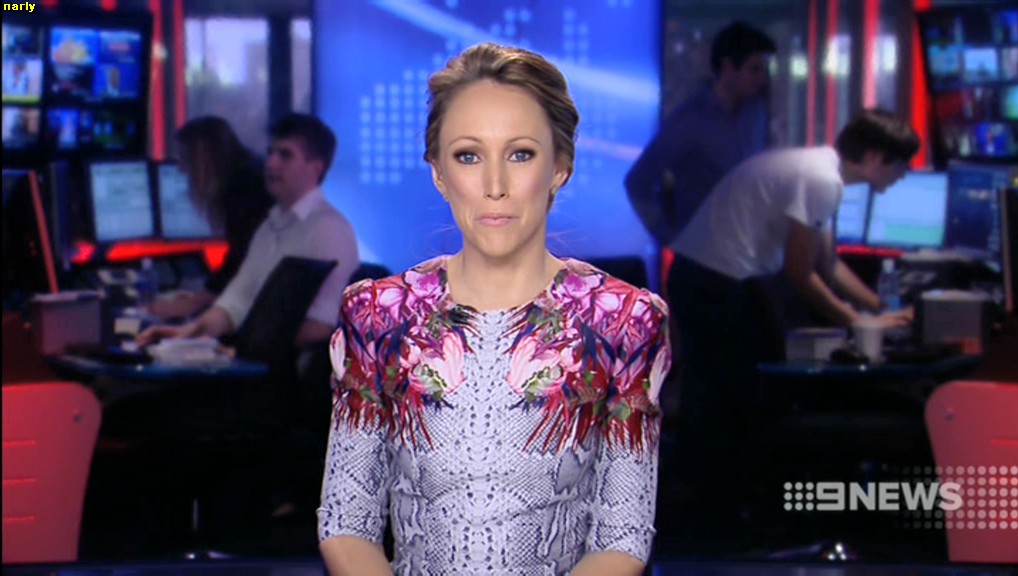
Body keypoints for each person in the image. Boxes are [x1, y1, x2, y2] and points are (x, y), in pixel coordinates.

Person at [318, 43, 671, 575]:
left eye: (520, 154)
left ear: (560, 167)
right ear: (438, 173)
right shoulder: (379, 315)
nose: (495, 187)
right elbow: (346, 521)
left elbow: (623, 536)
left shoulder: (623, 321)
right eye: (469, 156)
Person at [669, 108, 920, 549]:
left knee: (725, 402)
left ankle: (724, 524)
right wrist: (861, 323)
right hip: (715, 283)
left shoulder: (821, 170)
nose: (902, 176)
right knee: (727, 406)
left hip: (708, 278)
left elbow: (828, 265)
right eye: (900, 165)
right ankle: (720, 532)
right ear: (876, 157)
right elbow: (801, 274)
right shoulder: (822, 180)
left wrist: (881, 309)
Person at [137, 112, 358, 349]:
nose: (271, 163)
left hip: (276, 367)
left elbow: (317, 330)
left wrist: (235, 351)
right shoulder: (270, 226)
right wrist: (185, 335)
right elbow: (235, 302)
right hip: (251, 357)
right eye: (271, 152)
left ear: (315, 168)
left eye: (285, 155)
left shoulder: (329, 231)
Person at [626, 20, 777, 245]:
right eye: (755, 69)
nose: (763, 78)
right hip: (702, 255)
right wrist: (671, 237)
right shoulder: (689, 120)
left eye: (764, 70)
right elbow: (638, 182)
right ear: (728, 67)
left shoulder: (756, 113)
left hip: (749, 249)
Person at [149, 115, 274, 320]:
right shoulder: (249, 174)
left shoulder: (244, 187)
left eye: (185, 158)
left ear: (203, 158)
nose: (181, 168)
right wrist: (202, 297)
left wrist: (193, 303)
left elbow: (241, 258)